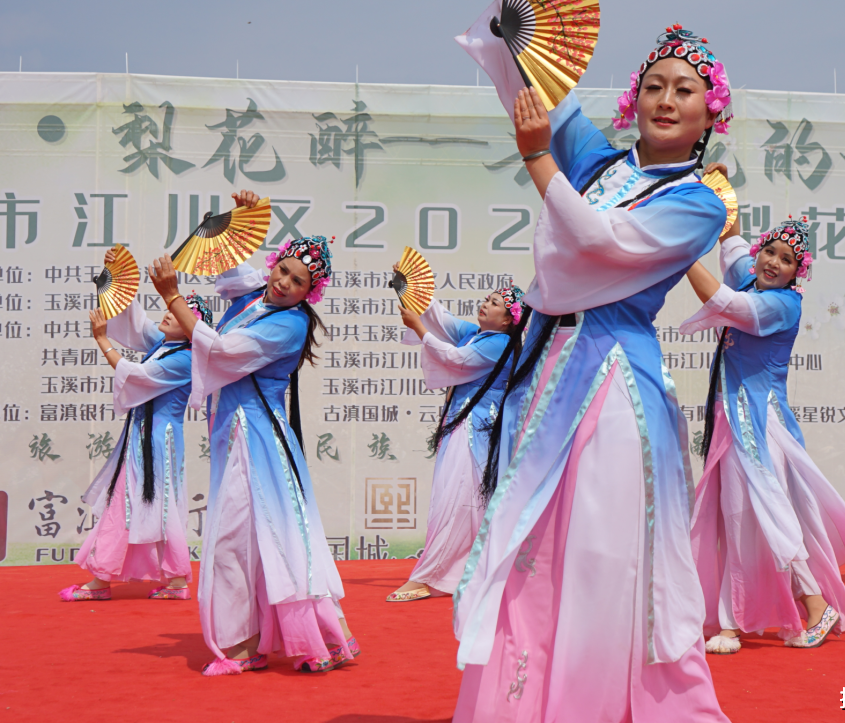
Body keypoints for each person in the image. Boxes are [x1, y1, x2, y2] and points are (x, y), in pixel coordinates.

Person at [452, 15, 734, 721]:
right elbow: (540, 82)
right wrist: (517, 21)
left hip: (615, 385)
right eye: (655, 85)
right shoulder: (602, 162)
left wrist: (538, 162)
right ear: (634, 98)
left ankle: (592, 702)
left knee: (601, 553)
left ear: (710, 112)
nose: (667, 99)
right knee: (535, 543)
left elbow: (599, 245)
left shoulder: (695, 202)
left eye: (686, 90)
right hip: (554, 370)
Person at [147, 190, 356, 675]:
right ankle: (281, 637)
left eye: (298, 281)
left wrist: (172, 297)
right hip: (236, 435)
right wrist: (241, 219)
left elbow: (221, 352)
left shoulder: (289, 326)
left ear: (311, 293)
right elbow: (228, 268)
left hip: (257, 441)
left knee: (234, 540)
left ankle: (245, 645)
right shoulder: (253, 299)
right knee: (259, 539)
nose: (284, 282)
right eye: (283, 269)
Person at [679, 210, 845, 654]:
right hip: (733, 421)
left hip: (759, 424)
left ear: (798, 272)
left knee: (763, 514)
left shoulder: (783, 304)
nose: (773, 262)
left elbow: (726, 306)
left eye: (786, 259)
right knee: (733, 519)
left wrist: (678, 247)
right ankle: (734, 620)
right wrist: (720, 189)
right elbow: (730, 240)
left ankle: (811, 605)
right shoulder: (750, 277)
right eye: (768, 251)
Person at [60, 276, 209, 602]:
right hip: (145, 436)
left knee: (136, 504)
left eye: (179, 313)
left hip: (157, 441)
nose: (170, 313)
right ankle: (174, 580)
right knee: (149, 505)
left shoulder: (185, 359)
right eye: (171, 308)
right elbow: (136, 322)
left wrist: (103, 341)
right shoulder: (165, 344)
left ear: (189, 330)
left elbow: (137, 378)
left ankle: (104, 579)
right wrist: (112, 285)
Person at [387, 285, 529, 602]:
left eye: (494, 304)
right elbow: (444, 319)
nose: (485, 305)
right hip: (464, 423)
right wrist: (408, 288)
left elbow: (455, 358)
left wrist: (419, 329)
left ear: (508, 321)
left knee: (458, 498)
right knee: (453, 498)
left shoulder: (499, 344)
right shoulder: (478, 334)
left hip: (477, 428)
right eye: (486, 300)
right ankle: (460, 572)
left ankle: (433, 576)